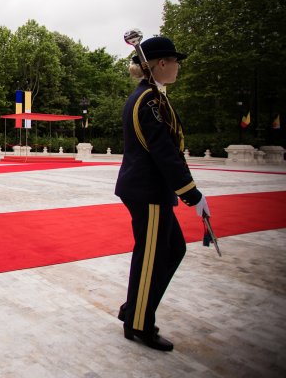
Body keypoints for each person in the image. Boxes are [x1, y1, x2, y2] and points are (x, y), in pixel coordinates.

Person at [115, 36, 210, 352]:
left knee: (171, 250)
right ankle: (139, 323)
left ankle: (134, 308)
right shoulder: (148, 101)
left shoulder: (153, 98)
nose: (179, 66)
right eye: (175, 61)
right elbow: (163, 151)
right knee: (153, 257)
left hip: (149, 188)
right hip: (148, 189)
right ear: (161, 64)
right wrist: (191, 193)